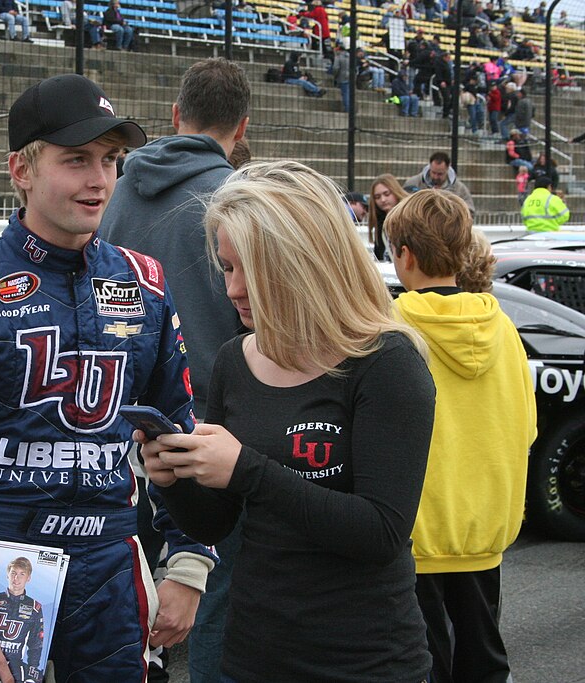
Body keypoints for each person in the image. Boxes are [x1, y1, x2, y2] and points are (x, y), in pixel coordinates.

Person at [0, 73, 216, 683]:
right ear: (21, 170)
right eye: (76, 160)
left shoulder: (145, 282)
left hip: (114, 571)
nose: (99, 180)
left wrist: (188, 565)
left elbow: (180, 431)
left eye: (111, 160)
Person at [138, 159, 436, 682]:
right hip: (253, 655)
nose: (233, 289)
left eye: (252, 268)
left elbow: (380, 531)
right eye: (228, 267)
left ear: (304, 261)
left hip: (365, 663)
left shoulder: (386, 362)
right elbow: (218, 523)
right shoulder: (236, 359)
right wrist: (176, 479)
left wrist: (245, 469)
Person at [98, 58, 250, 683]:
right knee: (213, 603)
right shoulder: (240, 199)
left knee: (117, 605)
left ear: (174, 115)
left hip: (115, 425)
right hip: (212, 433)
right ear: (241, 127)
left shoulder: (113, 190)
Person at [385, 190, 536, 683]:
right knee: (484, 659)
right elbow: (527, 427)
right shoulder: (505, 329)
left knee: (425, 665)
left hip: (414, 534)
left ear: (404, 255)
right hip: (484, 533)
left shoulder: (392, 327)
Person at [0, 557, 45, 683]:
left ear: (28, 578)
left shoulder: (34, 607)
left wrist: (33, 668)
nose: (16, 578)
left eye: (22, 574)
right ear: (7, 575)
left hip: (15, 665)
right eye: (13, 573)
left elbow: (36, 643)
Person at [404, 151, 476, 215]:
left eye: (440, 174)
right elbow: (403, 205)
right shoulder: (413, 183)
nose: (435, 177)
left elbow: (470, 211)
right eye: (433, 172)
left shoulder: (459, 189)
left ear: (447, 168)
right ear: (430, 166)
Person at [368, 173, 409, 260]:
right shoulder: (379, 221)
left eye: (386, 194)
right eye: (377, 197)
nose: (383, 200)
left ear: (395, 191)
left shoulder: (409, 217)